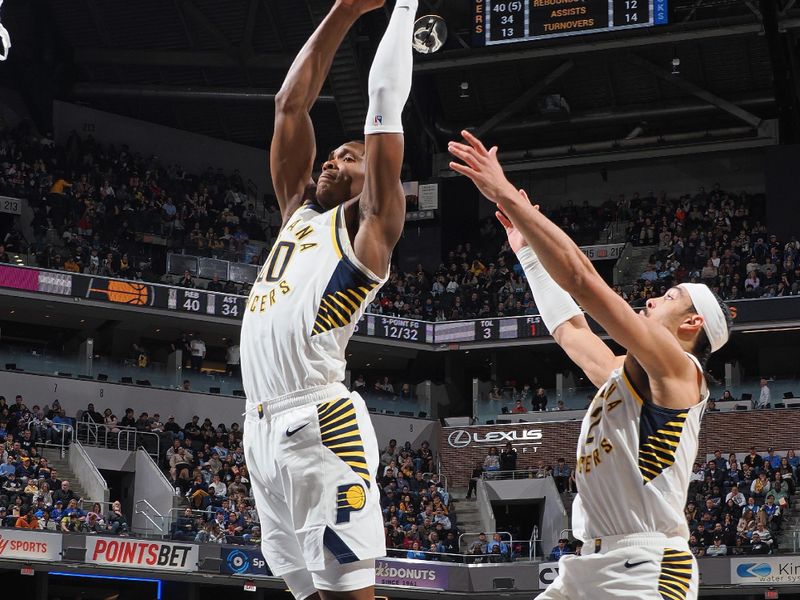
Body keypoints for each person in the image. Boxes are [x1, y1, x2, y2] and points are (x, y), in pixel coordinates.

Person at [449, 130, 732, 600]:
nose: (652, 297)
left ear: (693, 323)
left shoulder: (679, 370)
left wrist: (504, 194)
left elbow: (582, 279)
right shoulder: (630, 376)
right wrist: (526, 251)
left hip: (647, 567)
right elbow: (572, 331)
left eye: (670, 295)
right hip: (588, 565)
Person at [239, 1, 416, 598]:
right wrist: (345, 9)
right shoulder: (297, 213)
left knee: (347, 591)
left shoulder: (369, 228)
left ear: (376, 179)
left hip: (319, 418)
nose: (333, 159)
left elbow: (384, 108)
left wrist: (405, 7)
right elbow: (289, 106)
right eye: (331, 153)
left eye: (349, 155)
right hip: (259, 425)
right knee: (302, 588)